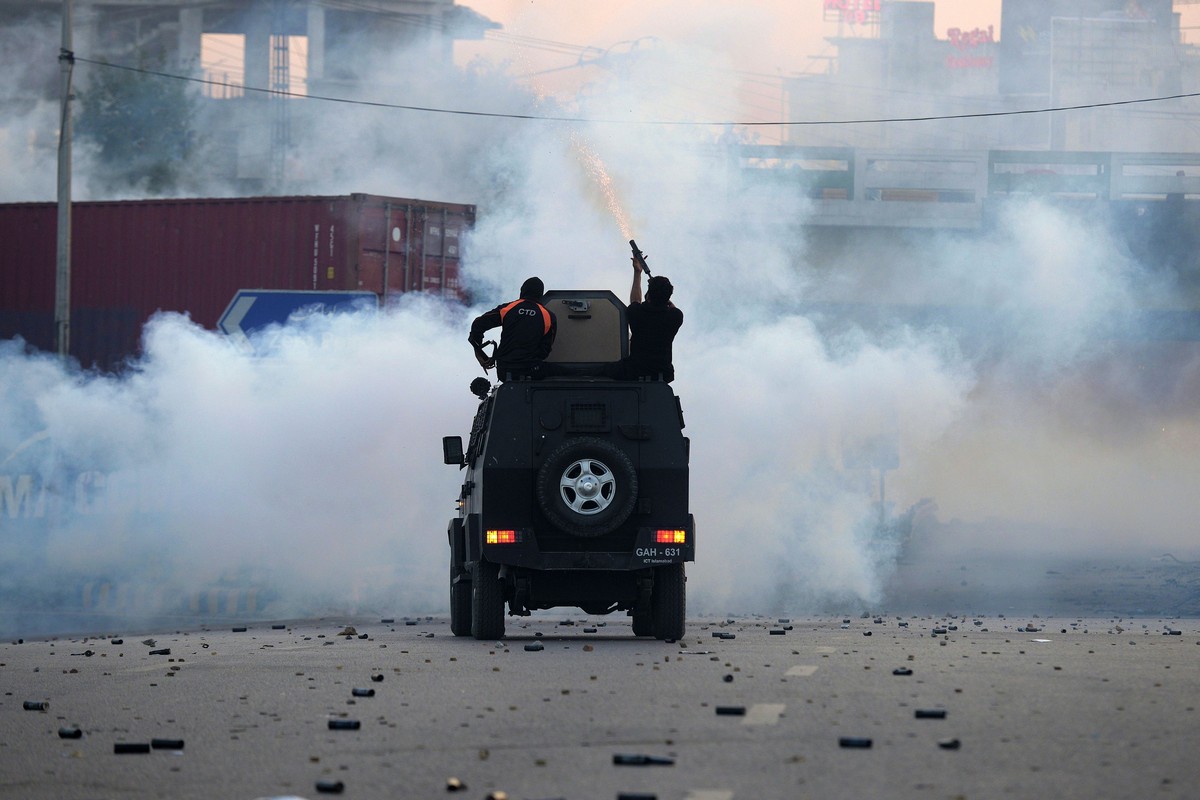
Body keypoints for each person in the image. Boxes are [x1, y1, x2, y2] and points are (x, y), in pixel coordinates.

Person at [468, 276, 557, 380]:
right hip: (532, 371)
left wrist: (479, 352)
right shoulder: (548, 316)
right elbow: (545, 350)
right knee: (567, 371)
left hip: (504, 370)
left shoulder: (508, 308)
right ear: (540, 295)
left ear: (522, 291)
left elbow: (478, 324)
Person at [609, 257, 683, 382]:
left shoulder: (637, 314)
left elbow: (635, 300)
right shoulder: (675, 317)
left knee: (597, 369)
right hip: (662, 374)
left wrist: (637, 272)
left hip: (634, 372)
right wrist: (663, 297)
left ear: (648, 296)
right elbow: (672, 307)